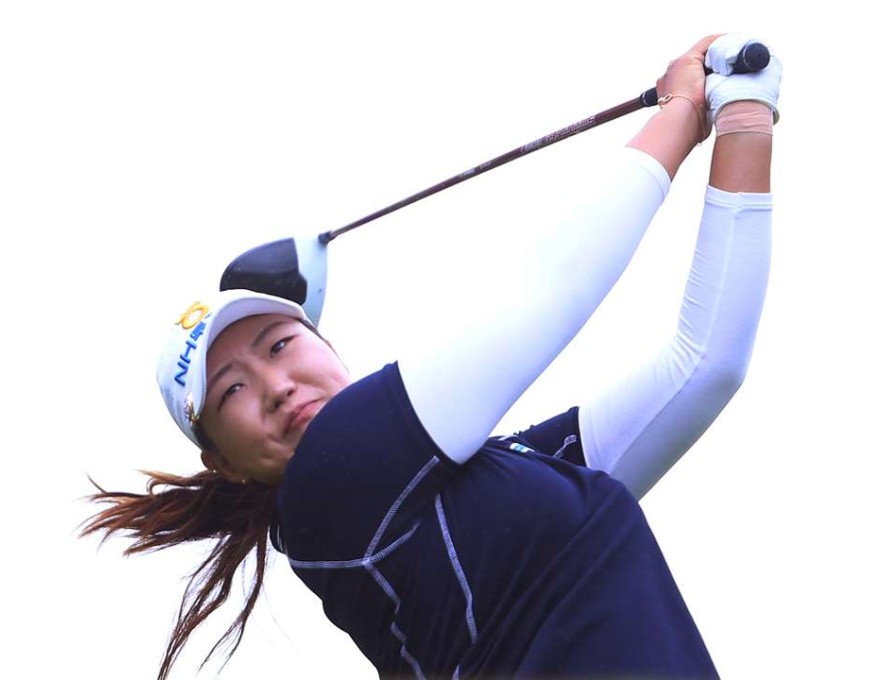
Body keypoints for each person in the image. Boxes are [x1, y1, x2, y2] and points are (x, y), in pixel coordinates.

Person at [83, 33, 781, 680]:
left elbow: (704, 366)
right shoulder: (333, 481)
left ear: (330, 349)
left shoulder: (489, 487)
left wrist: (745, 116)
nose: (273, 385)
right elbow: (550, 292)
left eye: (279, 344)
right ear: (225, 465)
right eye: (231, 389)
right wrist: (683, 113)